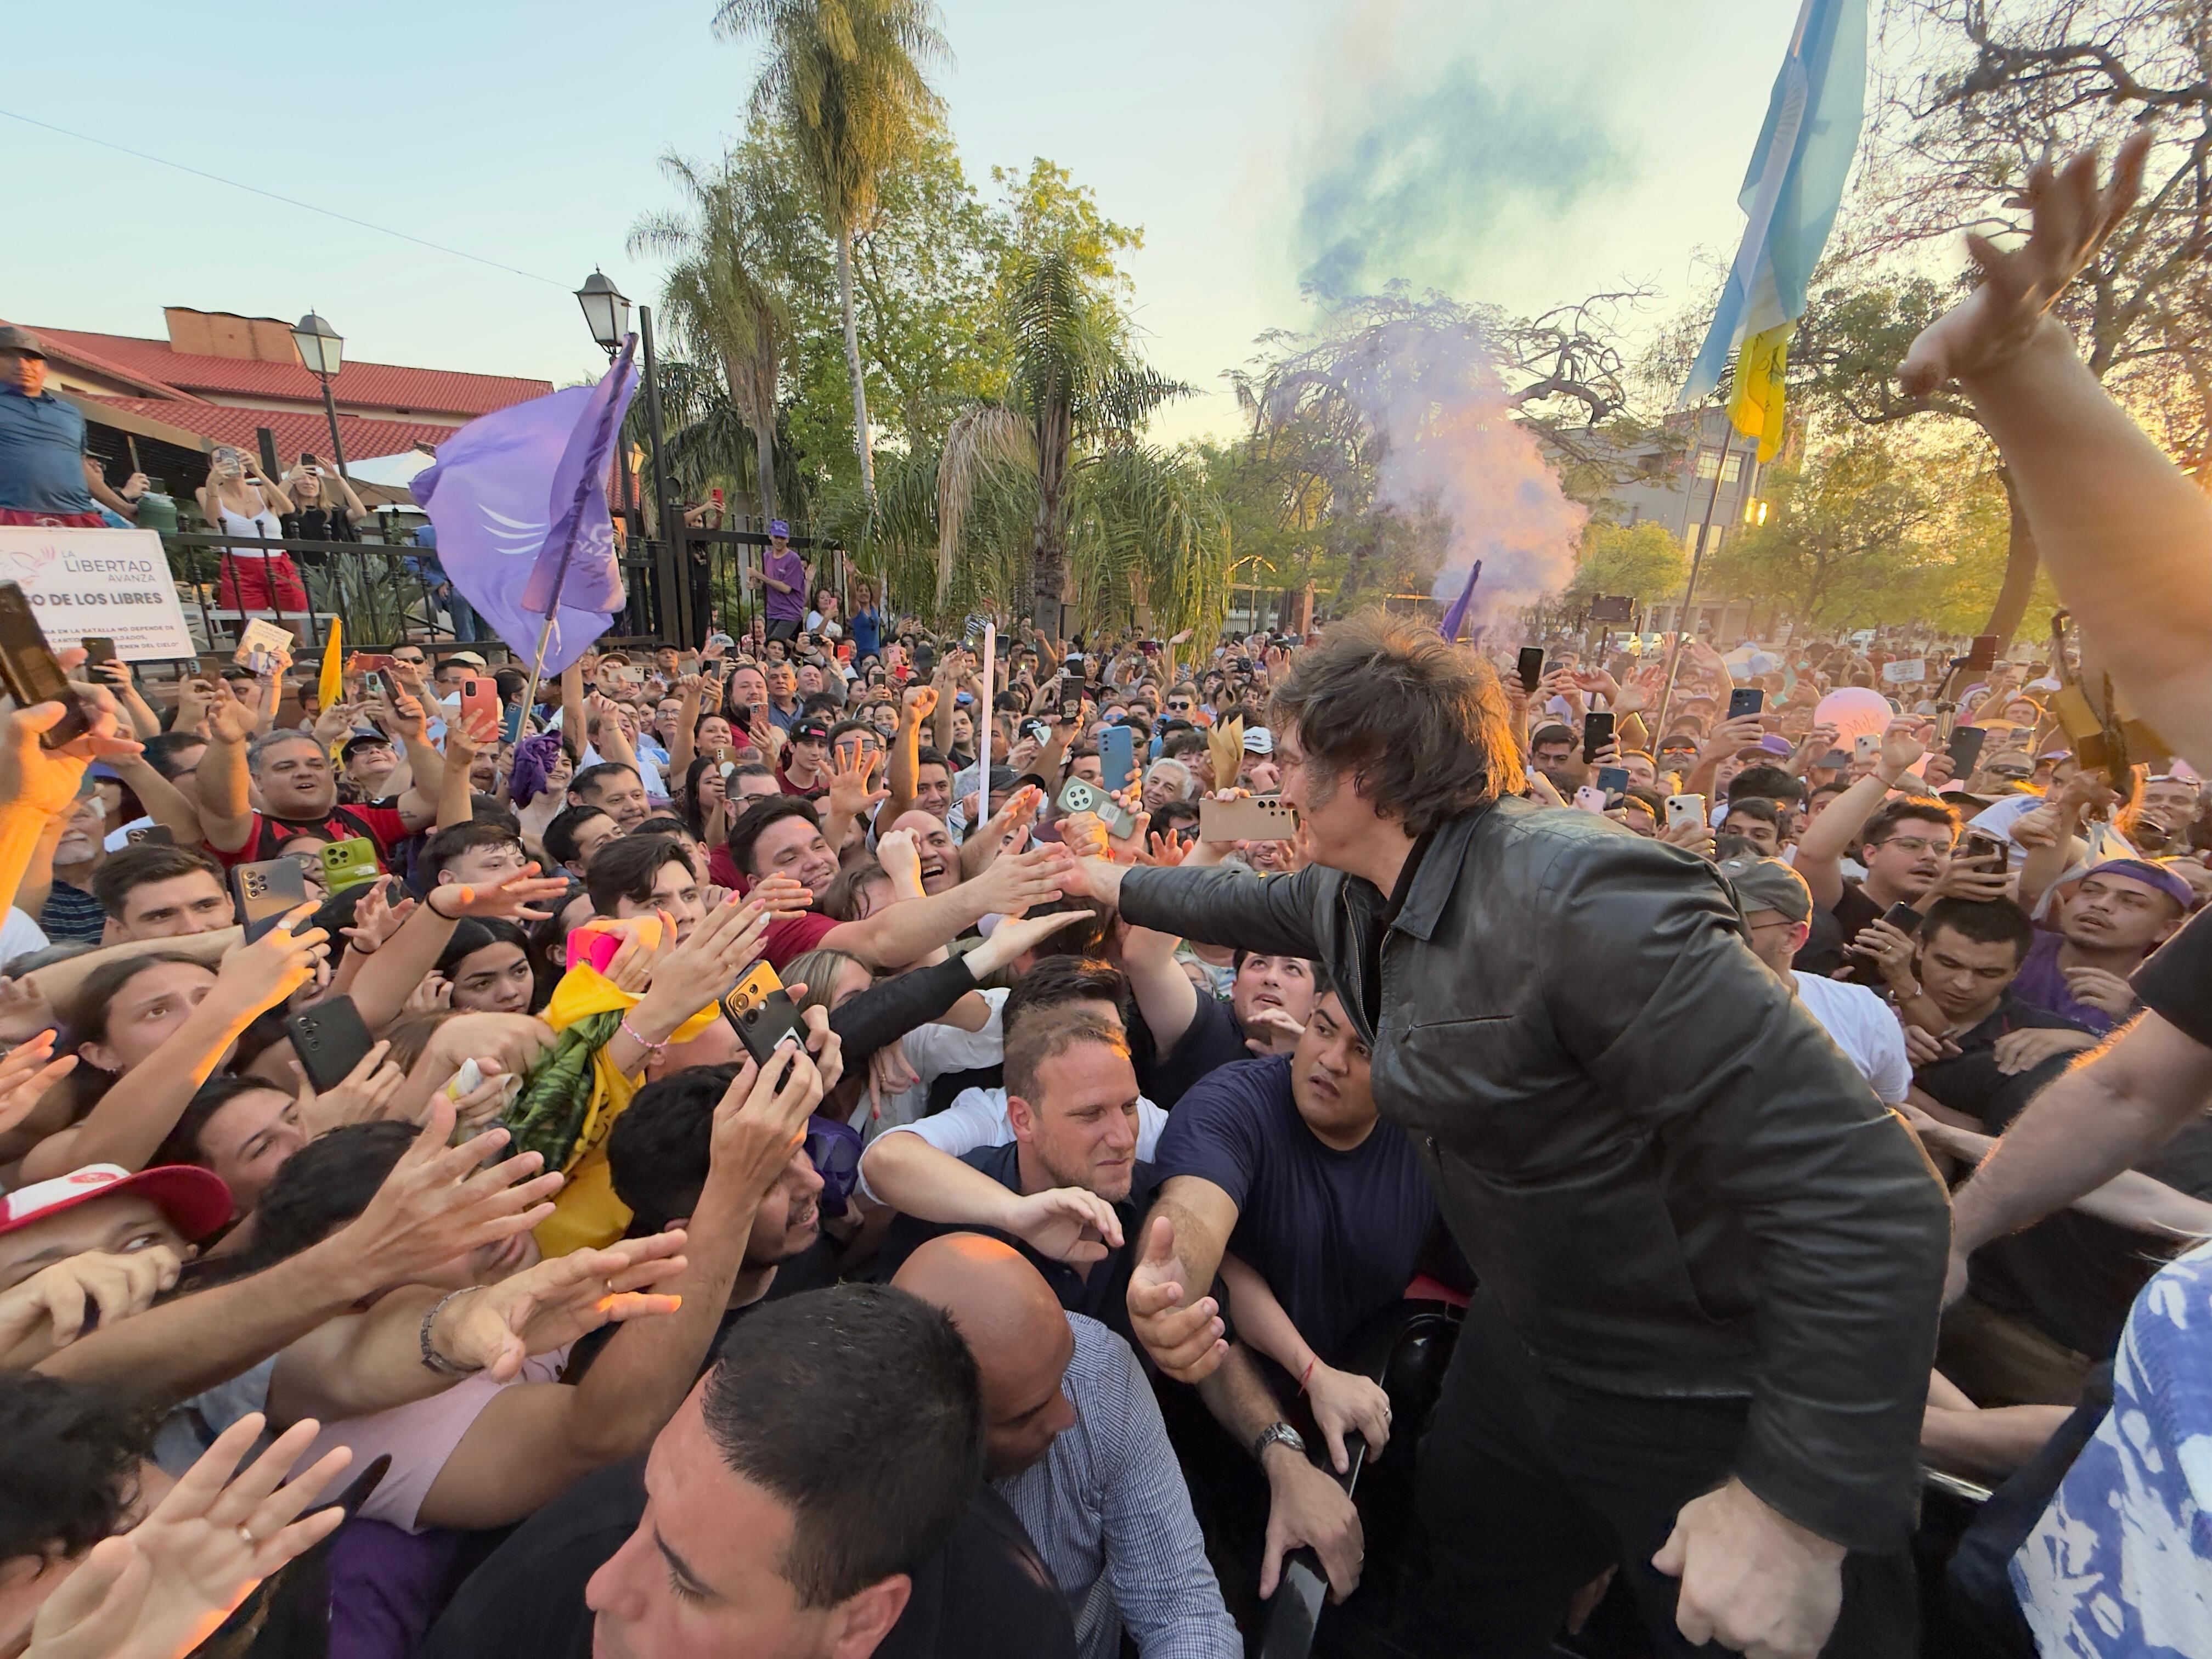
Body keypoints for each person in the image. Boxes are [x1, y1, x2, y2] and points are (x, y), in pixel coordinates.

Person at [1061, 614, 1948, 1657]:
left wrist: (1796, 1506)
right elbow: (1240, 902)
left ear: (1367, 769)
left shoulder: (1586, 899)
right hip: (1520, 1350)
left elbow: (1871, 1192)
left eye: (1292, 758)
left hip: (1698, 1386)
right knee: (1460, 1603)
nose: (1275, 783)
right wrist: (1105, 881)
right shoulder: (1355, 887)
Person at [419, 1285, 1080, 1659]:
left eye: (687, 1582)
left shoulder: (1009, 1632)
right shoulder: (557, 1571)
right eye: (648, 1500)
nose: (604, 1587)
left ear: (861, 1623)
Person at [892, 1234, 1239, 1659]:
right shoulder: (864, 1483)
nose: (1067, 1415)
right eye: (1027, 1415)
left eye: (1066, 1367)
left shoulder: (1103, 1378)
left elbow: (1181, 1612)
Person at [1720, 855, 1910, 1104]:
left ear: (1793, 937)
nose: (1712, 933)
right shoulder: (1673, 1002)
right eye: (1701, 918)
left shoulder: (1863, 1013)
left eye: (1735, 924)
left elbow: (1888, 1106)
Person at [2007, 857, 2190, 1036]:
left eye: (2131, 901)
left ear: (2167, 930)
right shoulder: (2012, 944)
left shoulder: (2164, 1006)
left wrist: (2129, 1021)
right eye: (2090, 891)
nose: (2100, 905)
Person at [0, 327, 106, 527]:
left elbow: (79, 464)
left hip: (78, 516)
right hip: (9, 515)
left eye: (31, 359)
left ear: (45, 369)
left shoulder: (70, 413)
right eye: (9, 356)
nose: (22, 365)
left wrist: (125, 508)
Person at [747, 520, 813, 645]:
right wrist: (756, 585)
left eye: (782, 538)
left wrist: (759, 575)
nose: (779, 541)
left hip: (790, 612)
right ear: (770, 536)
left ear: (787, 539)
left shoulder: (793, 559)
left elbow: (786, 588)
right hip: (772, 611)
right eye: (776, 537)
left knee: (773, 644)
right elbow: (770, 585)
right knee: (773, 646)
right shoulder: (767, 557)